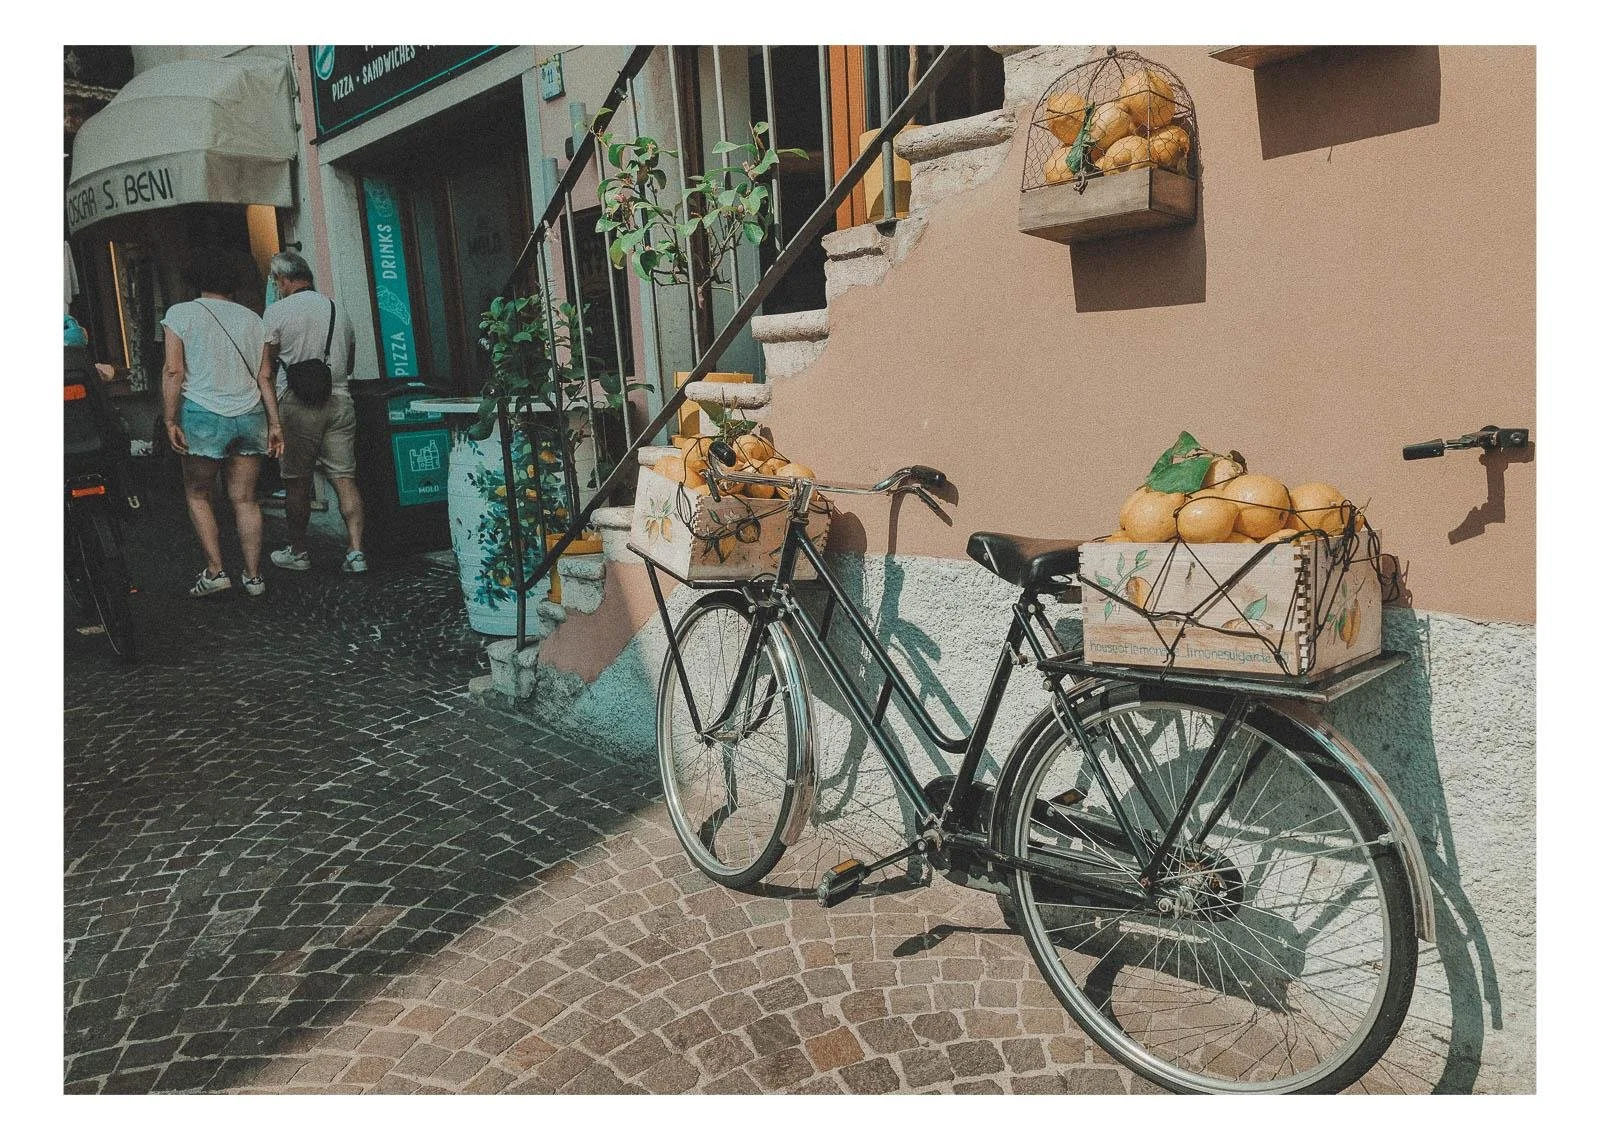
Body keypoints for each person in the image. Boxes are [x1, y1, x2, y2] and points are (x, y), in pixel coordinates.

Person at [161, 247, 283, 598]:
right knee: (245, 499)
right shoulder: (254, 320)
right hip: (250, 413)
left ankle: (216, 571)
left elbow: (173, 370)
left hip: (203, 413)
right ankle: (254, 577)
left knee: (199, 494)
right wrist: (275, 424)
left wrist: (170, 418)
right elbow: (265, 376)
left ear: (196, 279)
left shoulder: (180, 314)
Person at [258, 251, 366, 574]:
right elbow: (350, 361)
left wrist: (273, 421)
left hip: (297, 405)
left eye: (276, 281)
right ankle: (356, 552)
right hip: (340, 399)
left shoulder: (276, 312)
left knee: (296, 483)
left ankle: (298, 551)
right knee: (345, 480)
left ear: (283, 280)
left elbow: (266, 370)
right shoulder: (336, 308)